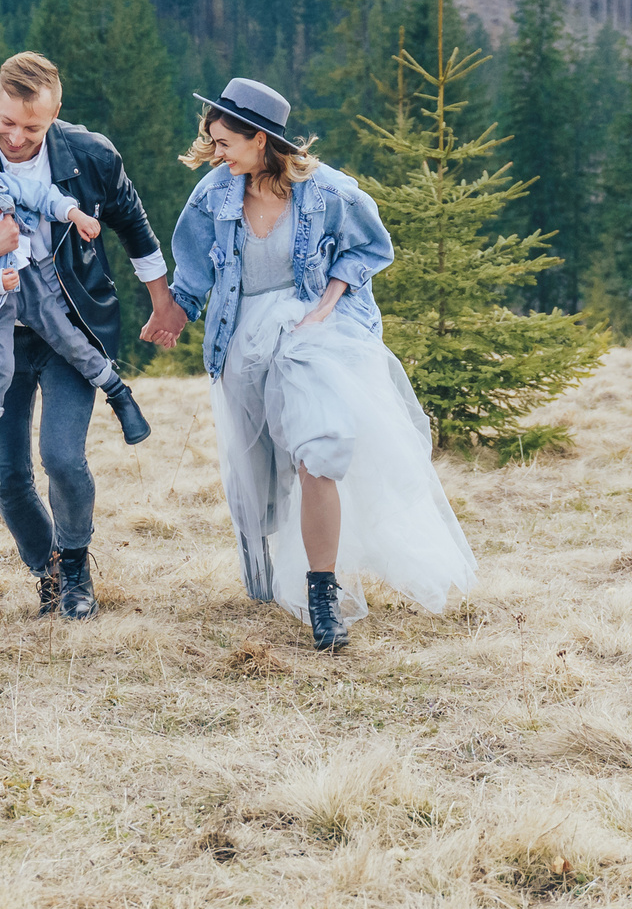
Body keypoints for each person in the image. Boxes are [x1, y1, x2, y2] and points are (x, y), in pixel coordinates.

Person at [144, 77, 476, 651]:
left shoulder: (327, 192)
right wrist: (174, 312)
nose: (216, 153)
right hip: (241, 339)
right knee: (260, 467)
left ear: (262, 139)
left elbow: (371, 246)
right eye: (213, 141)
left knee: (320, 450)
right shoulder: (212, 196)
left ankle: (322, 595)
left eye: (225, 142)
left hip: (312, 338)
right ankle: (268, 578)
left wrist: (328, 301)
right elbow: (195, 272)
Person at [0, 53, 190, 621]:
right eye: (7, 122)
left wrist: (162, 300)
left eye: (33, 127)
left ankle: (77, 566)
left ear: (55, 114)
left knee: (62, 457)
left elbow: (133, 224)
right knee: (7, 473)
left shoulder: (90, 155)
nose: (17, 136)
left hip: (70, 324)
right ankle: (48, 570)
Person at [0, 117, 151, 488]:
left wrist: (74, 213)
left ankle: (119, 395)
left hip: (28, 278)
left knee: (70, 338)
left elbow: (37, 195)